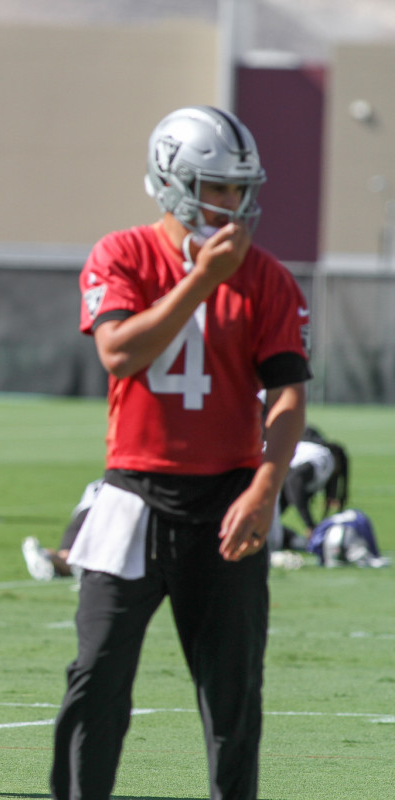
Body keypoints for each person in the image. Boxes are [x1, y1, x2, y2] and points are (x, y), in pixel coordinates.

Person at [51, 106, 310, 800]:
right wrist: (199, 279)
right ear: (171, 182)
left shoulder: (269, 278)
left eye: (238, 189)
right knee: (96, 679)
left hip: (229, 499)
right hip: (133, 493)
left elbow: (287, 397)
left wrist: (264, 489)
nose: (232, 205)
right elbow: (119, 352)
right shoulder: (123, 254)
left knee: (234, 696)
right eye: (216, 188)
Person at [278, 426, 348, 548]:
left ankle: (292, 539)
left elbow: (290, 486)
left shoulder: (309, 452)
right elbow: (293, 482)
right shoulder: (321, 457)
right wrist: (310, 525)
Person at [22, 479, 102, 580]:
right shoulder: (123, 479)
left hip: (82, 516)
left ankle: (48, 556)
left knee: (65, 555)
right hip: (107, 516)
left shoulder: (96, 483)